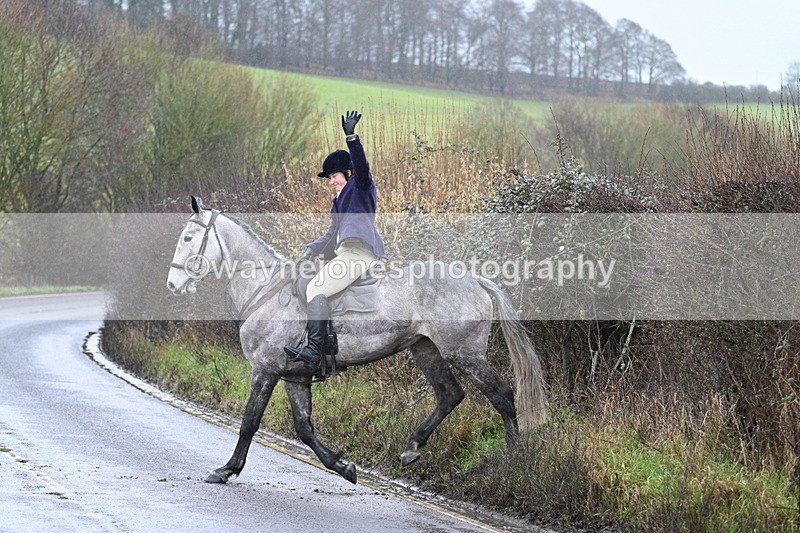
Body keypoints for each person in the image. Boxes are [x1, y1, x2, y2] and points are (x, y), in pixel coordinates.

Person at [284, 110, 386, 371]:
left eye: (334, 176)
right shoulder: (338, 201)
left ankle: (313, 350)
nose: (331, 182)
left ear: (348, 173)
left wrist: (351, 137)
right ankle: (316, 342)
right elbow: (331, 235)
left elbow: (362, 166)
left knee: (316, 288)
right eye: (329, 178)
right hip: (345, 253)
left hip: (359, 253)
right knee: (309, 282)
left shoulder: (361, 186)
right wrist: (310, 249)